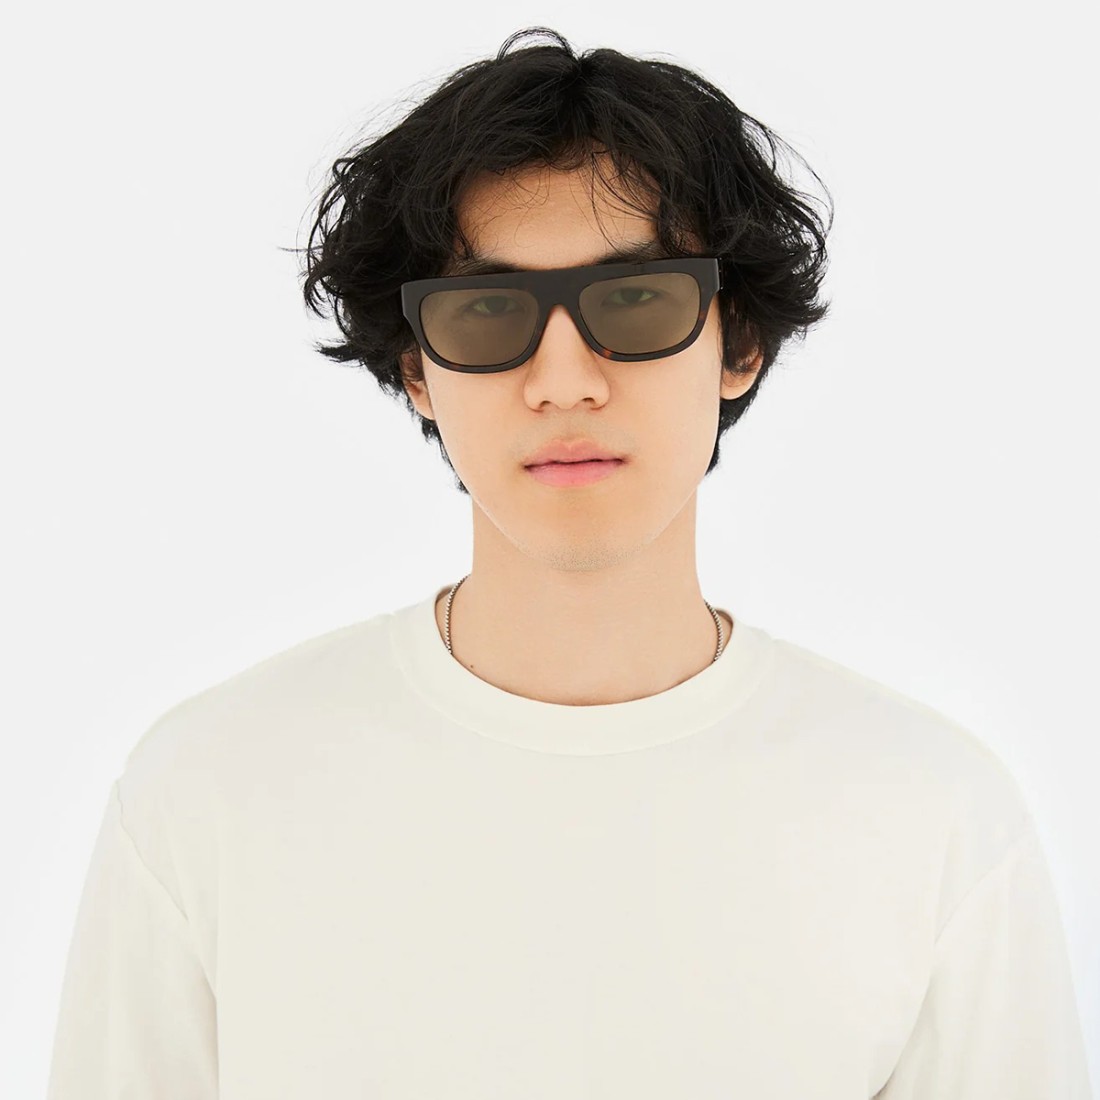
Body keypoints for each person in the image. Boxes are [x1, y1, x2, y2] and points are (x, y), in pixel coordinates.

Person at [47, 26, 1093, 1100]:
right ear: (417, 367)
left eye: (635, 300)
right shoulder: (209, 792)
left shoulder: (931, 817)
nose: (563, 380)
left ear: (737, 344)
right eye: (486, 311)